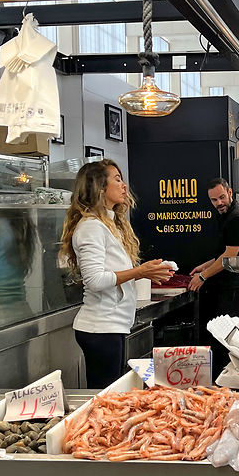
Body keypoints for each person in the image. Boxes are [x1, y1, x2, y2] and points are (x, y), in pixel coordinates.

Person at [60, 160, 173, 388]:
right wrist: (139, 271)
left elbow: (112, 272)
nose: (124, 186)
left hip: (112, 326)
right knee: (106, 398)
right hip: (100, 328)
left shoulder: (108, 224)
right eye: (117, 179)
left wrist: (145, 273)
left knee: (111, 394)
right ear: (99, 187)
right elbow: (95, 280)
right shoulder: (91, 227)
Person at [188, 178, 239, 373]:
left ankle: (229, 378)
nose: (219, 203)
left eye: (221, 197)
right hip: (237, 284)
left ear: (230, 192)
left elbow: (229, 256)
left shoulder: (236, 219)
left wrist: (203, 277)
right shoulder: (228, 215)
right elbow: (224, 253)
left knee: (230, 337)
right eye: (214, 200)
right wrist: (203, 267)